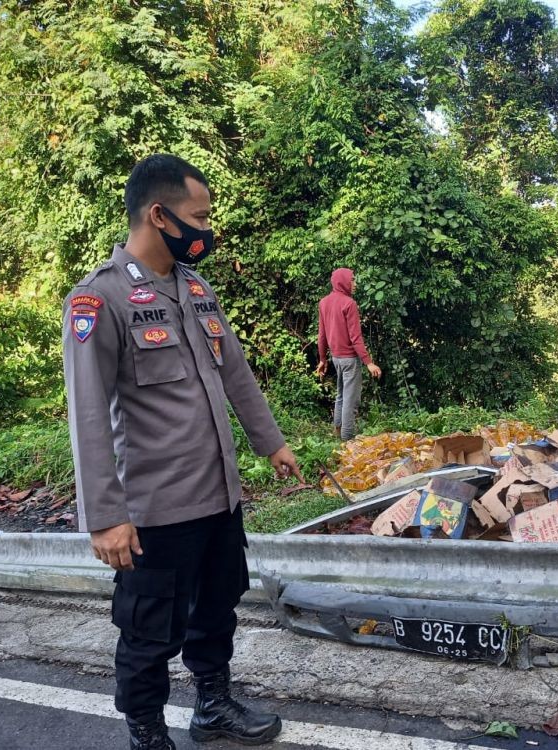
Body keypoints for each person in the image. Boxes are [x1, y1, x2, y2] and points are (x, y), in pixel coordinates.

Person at [62, 154, 303, 750]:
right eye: (200, 217)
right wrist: (106, 516)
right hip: (156, 508)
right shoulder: (100, 299)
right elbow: (87, 411)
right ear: (158, 215)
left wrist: (271, 443)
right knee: (149, 630)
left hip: (218, 494)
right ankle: (147, 732)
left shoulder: (196, 289)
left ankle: (213, 706)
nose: (208, 229)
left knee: (217, 609)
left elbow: (237, 377)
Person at [314, 268, 381, 440]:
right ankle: (347, 442)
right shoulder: (349, 304)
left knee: (341, 396)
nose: (355, 284)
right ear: (343, 281)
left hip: (336, 358)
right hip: (350, 359)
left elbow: (321, 335)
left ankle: (337, 435)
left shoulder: (324, 302)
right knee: (350, 402)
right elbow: (356, 337)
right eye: (352, 280)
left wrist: (323, 359)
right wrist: (369, 362)